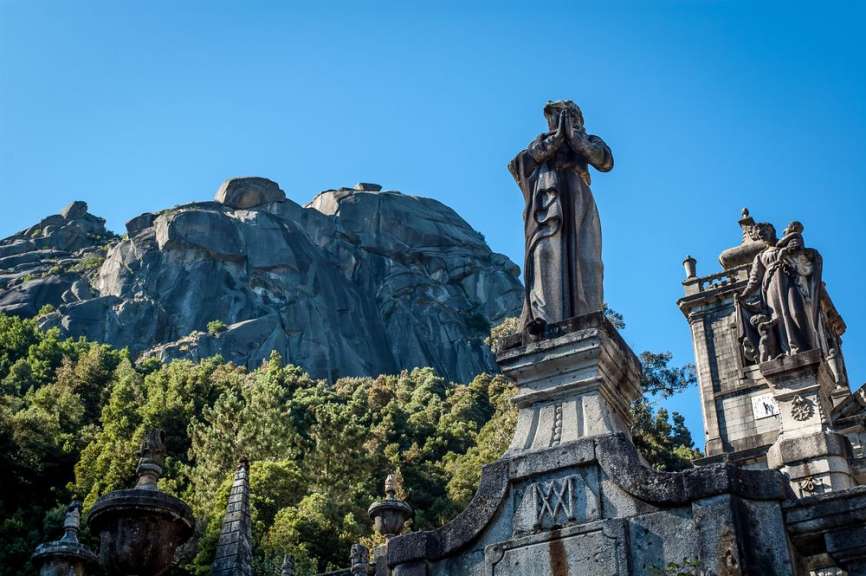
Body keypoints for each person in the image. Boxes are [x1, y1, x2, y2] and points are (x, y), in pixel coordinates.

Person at [508, 100, 613, 333]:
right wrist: (551, 145)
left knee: (588, 260)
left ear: (576, 119)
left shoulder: (589, 139)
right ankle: (546, 318)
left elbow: (605, 161)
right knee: (545, 252)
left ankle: (588, 315)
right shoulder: (541, 143)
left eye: (561, 115)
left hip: (579, 199)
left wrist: (578, 142)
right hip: (547, 202)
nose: (555, 122)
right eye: (553, 117)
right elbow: (517, 166)